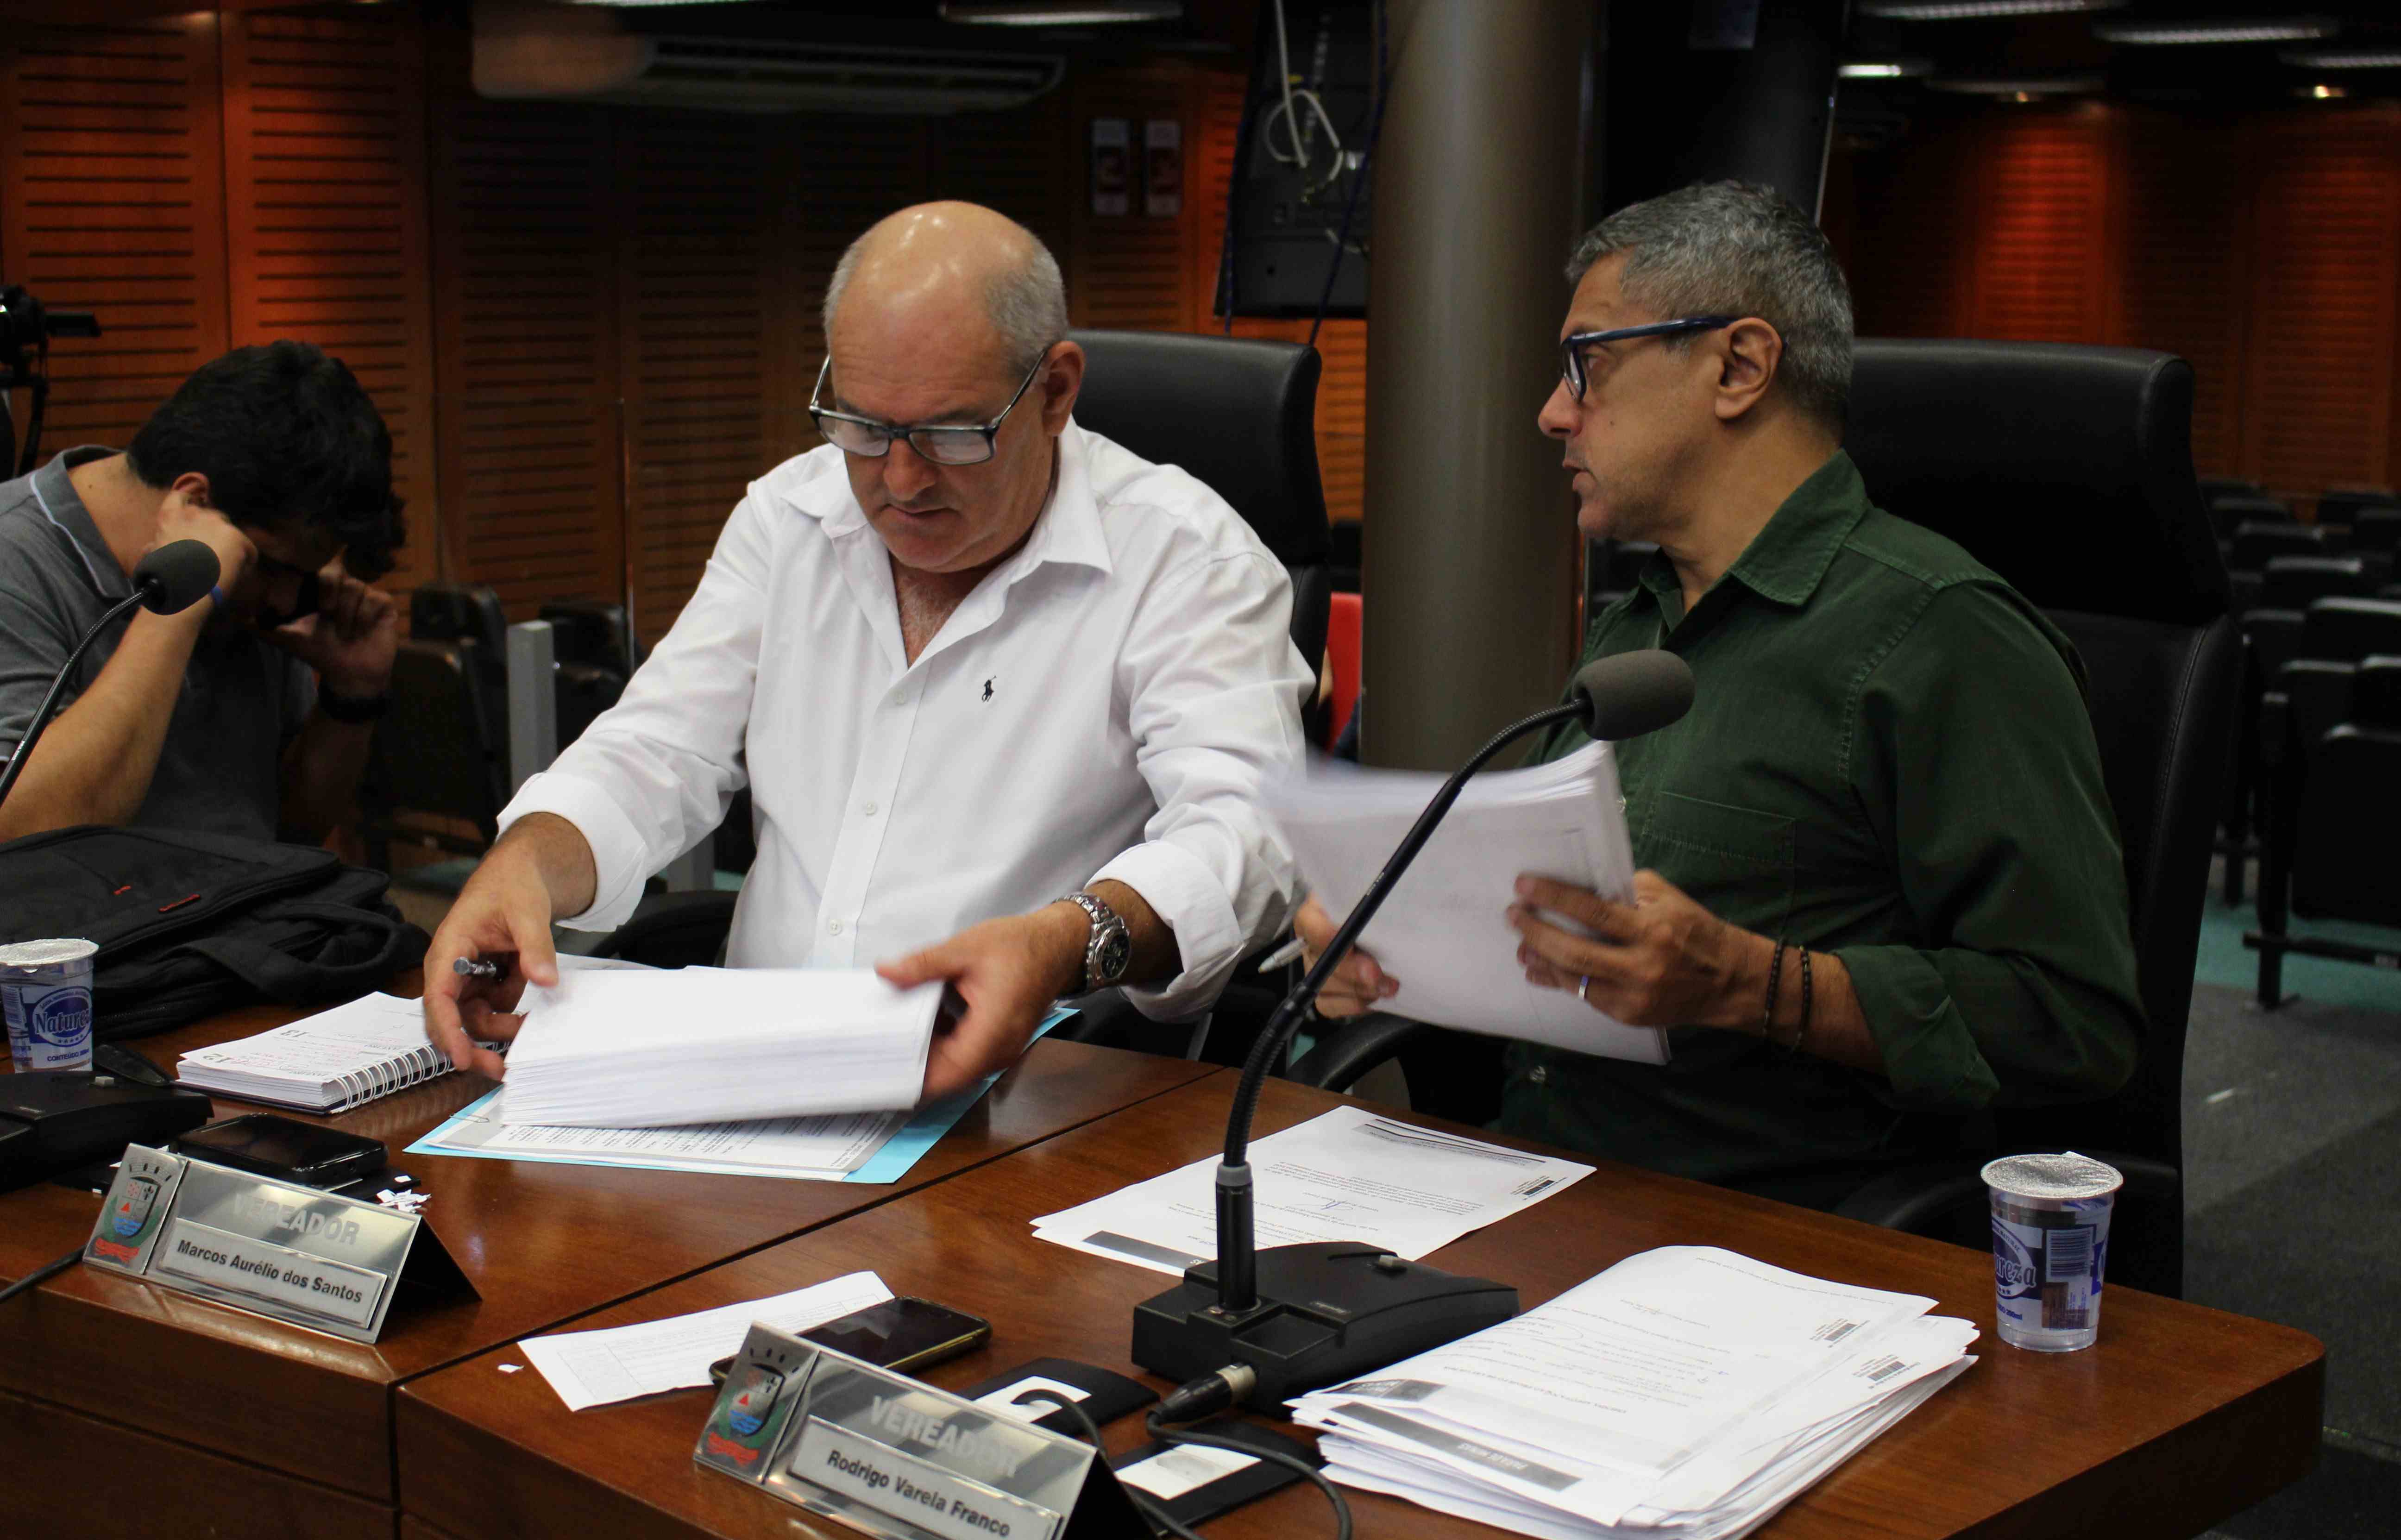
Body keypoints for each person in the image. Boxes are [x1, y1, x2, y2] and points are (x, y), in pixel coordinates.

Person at [1300, 180, 2143, 1207]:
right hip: (1536, 1186)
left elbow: (2076, 1023)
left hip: (1764, 1231)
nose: (1553, 412)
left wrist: (1753, 983)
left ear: (1738, 367)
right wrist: (1387, 943)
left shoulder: (1943, 636)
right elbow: (1559, 938)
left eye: (1586, 362)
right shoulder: (1638, 626)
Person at [424, 202, 1310, 1100]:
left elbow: (1244, 831)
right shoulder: (790, 518)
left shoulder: (1185, 559)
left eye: (950, 434)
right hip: (741, 1082)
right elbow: (656, 751)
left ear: (1054, 392)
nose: (901, 480)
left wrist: (1064, 941)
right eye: (863, 427)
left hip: (1015, 1100)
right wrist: (524, 865)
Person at [0, 341, 405, 846]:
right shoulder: (15, 558)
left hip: (240, 896)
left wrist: (350, 698)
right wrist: (176, 605)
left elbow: (284, 833)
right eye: (274, 569)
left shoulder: (261, 573)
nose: (285, 604)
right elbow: (25, 840)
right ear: (194, 500)